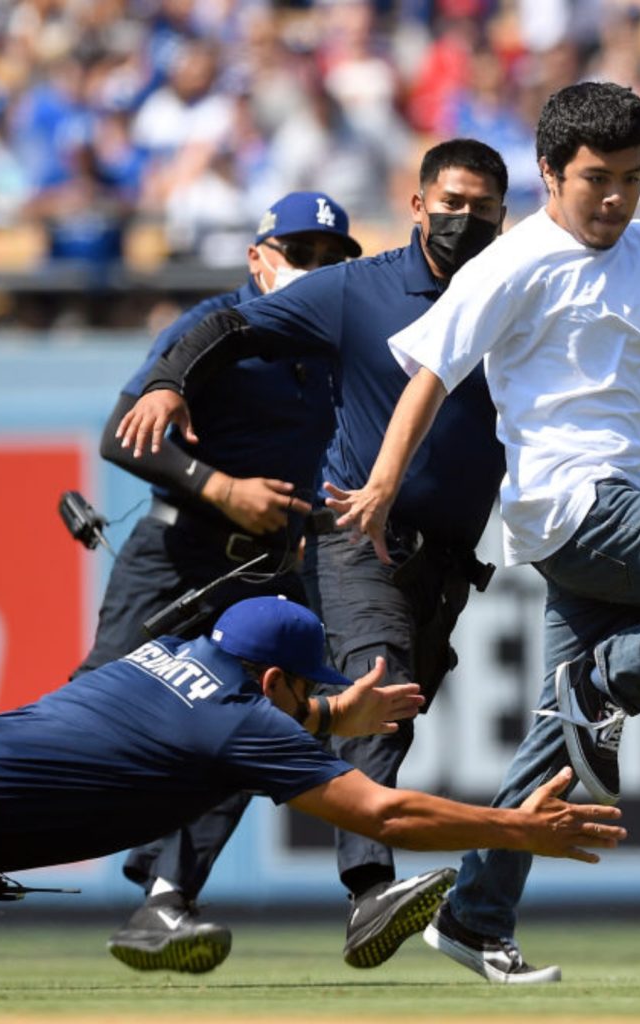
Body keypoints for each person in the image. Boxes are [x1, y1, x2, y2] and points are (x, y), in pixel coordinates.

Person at [324, 81, 640, 984]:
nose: (614, 198)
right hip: (571, 508)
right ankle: (606, 683)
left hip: (613, 499)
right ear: (548, 174)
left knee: (557, 743)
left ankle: (473, 915)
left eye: (630, 178)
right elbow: (429, 370)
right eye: (594, 180)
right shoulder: (512, 263)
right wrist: (381, 484)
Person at [111, 141, 512, 973]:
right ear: (415, 202)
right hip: (294, 543)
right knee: (369, 686)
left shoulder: (514, 291)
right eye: (450, 201)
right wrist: (175, 399)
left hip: (382, 562)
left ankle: (163, 896)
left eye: (482, 208)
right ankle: (364, 887)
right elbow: (212, 337)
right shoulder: (348, 298)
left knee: (290, 720)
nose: (462, 220)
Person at [0, 596, 626, 975]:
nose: (311, 702)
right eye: (308, 688)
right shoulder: (237, 724)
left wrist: (330, 714)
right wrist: (517, 830)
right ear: (273, 680)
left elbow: (209, 728)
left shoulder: (165, 656)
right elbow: (386, 816)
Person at [87, 190, 366, 975]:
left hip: (267, 570)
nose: (314, 269)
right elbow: (121, 436)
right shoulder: (217, 327)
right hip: (179, 548)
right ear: (258, 257)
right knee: (99, 707)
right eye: (300, 252)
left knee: (266, 722)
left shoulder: (332, 343)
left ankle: (166, 899)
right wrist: (219, 487)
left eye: (330, 259)